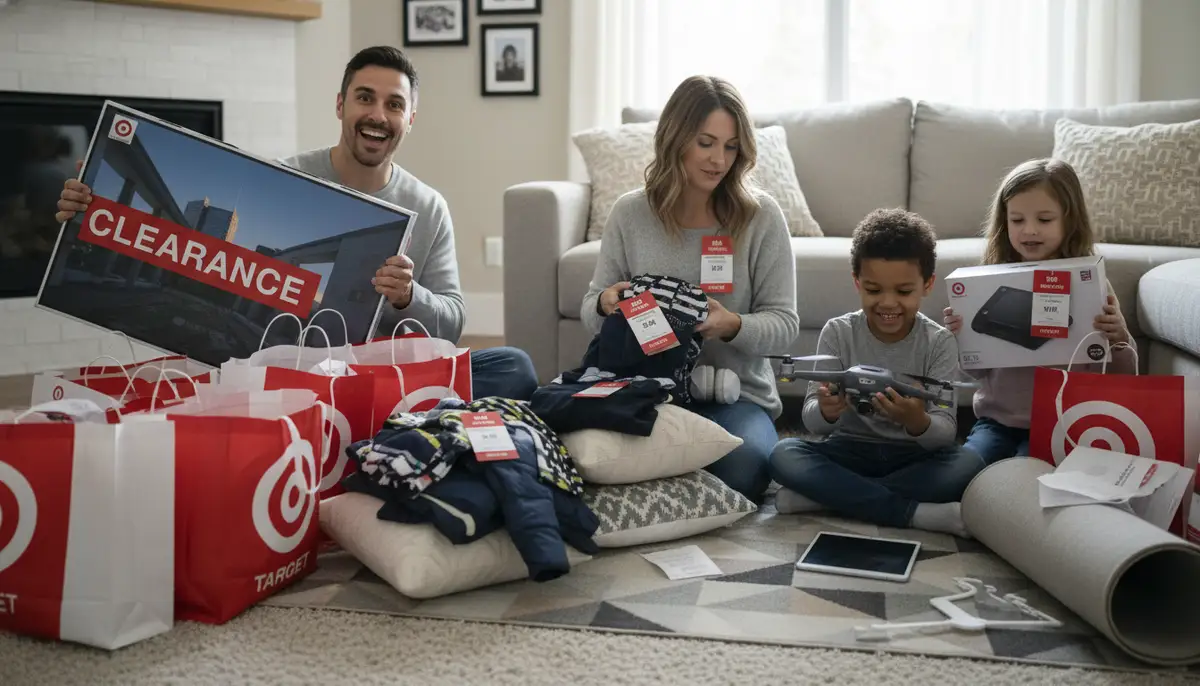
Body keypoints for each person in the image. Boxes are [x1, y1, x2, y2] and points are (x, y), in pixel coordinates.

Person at [53, 45, 538, 402]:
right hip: (295, 370)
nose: (377, 114)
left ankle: (362, 421)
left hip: (377, 374)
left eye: (394, 104)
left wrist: (409, 297)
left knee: (513, 366)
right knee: (213, 381)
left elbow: (451, 323)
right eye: (364, 98)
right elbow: (195, 252)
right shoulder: (288, 177)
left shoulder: (428, 206)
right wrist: (94, 210)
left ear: (410, 118)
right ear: (340, 106)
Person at [581, 75, 799, 503]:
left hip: (736, 397)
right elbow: (591, 307)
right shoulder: (630, 213)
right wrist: (608, 303)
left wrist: (731, 325)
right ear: (676, 138)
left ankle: (655, 489)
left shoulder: (761, 217)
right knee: (583, 454)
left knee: (746, 468)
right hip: (646, 392)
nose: (719, 159)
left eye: (731, 146)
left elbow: (785, 325)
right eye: (706, 142)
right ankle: (671, 488)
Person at [769, 208, 983, 538]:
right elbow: (813, 421)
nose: (887, 303)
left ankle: (829, 497)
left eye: (903, 291)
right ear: (857, 283)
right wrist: (826, 411)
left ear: (927, 285)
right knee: (784, 455)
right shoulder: (838, 332)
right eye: (873, 290)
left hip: (912, 458)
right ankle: (910, 513)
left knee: (968, 466)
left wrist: (917, 421)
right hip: (848, 450)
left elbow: (945, 430)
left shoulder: (939, 341)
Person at [943, 158, 1136, 465]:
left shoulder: (1092, 284)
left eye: (1044, 220)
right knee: (962, 470)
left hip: (1060, 423)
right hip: (996, 422)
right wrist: (960, 337)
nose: (1029, 230)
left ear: (1069, 220)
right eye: (1017, 220)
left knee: (1025, 473)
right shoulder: (989, 280)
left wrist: (1118, 337)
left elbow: (1121, 374)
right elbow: (973, 371)